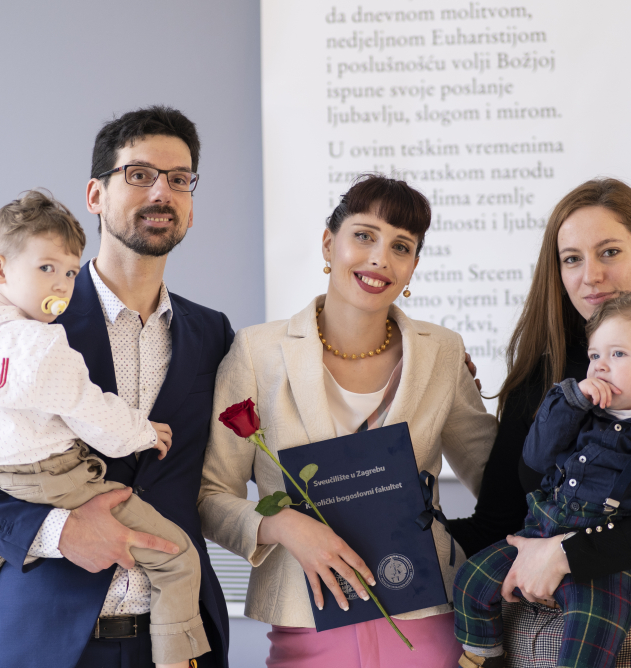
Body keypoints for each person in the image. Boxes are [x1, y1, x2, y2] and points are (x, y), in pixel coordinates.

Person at [0, 106, 234, 668]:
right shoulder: (22, 324)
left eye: (179, 179)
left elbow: (211, 484)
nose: (162, 191)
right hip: (42, 637)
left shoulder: (212, 333)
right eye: (139, 174)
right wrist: (57, 532)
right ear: (95, 195)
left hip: (173, 641)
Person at [198, 174, 498, 668]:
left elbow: (496, 478)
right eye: (363, 235)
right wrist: (284, 526)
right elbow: (210, 497)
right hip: (309, 623)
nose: (380, 258)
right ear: (328, 244)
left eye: (401, 246)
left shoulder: (442, 352)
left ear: (413, 266)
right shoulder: (256, 352)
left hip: (428, 617)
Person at [447, 178, 631, 667]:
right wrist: (387, 530)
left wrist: (567, 554)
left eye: (609, 252)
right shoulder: (541, 376)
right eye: (572, 259)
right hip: (524, 624)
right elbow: (498, 520)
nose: (591, 276)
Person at [453, 292, 631, 668]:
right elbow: (535, 457)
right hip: (540, 534)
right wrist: (570, 401)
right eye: (595, 355)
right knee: (471, 579)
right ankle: (485, 656)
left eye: (618, 354)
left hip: (606, 564)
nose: (600, 366)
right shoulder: (580, 412)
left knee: (589, 640)